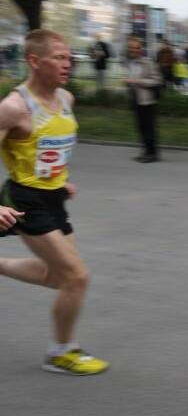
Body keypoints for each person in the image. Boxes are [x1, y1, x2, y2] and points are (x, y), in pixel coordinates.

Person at [0, 29, 109, 375]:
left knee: (55, 277)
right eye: (59, 58)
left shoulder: (66, 99)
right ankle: (61, 351)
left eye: (69, 57)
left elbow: (49, 147)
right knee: (77, 276)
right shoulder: (14, 107)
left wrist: (61, 180)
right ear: (35, 61)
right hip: (25, 200)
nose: (68, 63)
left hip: (53, 197)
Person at [123, 37, 162, 163]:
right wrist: (128, 82)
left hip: (147, 101)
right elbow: (131, 79)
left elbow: (157, 80)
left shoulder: (148, 63)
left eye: (136, 48)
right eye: (131, 48)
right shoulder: (130, 63)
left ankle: (153, 154)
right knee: (140, 127)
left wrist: (138, 81)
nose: (133, 50)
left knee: (149, 128)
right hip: (135, 99)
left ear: (141, 49)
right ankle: (145, 151)